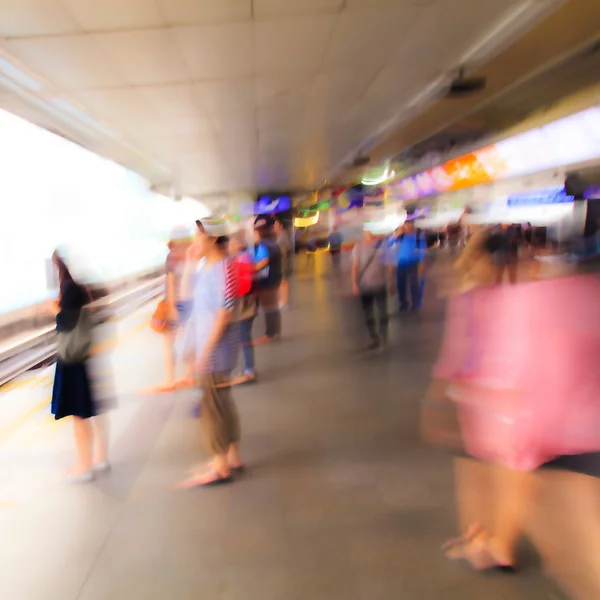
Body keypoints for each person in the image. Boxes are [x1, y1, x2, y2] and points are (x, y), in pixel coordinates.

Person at [177, 217, 243, 488]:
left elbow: (224, 313)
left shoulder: (224, 268)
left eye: (198, 236)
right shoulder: (207, 267)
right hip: (209, 347)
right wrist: (191, 266)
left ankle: (220, 465)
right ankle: (231, 456)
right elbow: (187, 303)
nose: (194, 242)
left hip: (215, 350)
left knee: (212, 407)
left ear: (213, 238)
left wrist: (205, 350)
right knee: (221, 401)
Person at [50, 252, 109, 483]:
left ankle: (84, 466)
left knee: (78, 415)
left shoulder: (68, 287)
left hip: (71, 359)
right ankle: (97, 459)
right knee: (86, 411)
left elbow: (66, 321)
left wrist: (54, 309)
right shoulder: (80, 287)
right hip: (82, 356)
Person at [153, 228, 194, 392]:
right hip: (190, 303)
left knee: (168, 342)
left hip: (175, 303)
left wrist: (170, 307)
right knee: (190, 340)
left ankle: (170, 379)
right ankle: (189, 376)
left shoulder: (172, 258)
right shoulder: (192, 256)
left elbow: (170, 284)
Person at [352, 228, 394, 350]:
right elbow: (355, 266)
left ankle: (383, 336)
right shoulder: (358, 248)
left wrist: (391, 282)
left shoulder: (382, 246)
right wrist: (354, 283)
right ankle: (373, 337)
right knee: (368, 314)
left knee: (383, 313)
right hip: (365, 286)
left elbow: (389, 265)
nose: (368, 235)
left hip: (380, 284)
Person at [230, 233, 258, 384]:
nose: (229, 247)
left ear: (236, 245)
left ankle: (249, 370)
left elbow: (244, 285)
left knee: (244, 337)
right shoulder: (245, 257)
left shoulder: (242, 259)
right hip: (248, 303)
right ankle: (247, 368)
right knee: (244, 337)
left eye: (231, 244)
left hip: (244, 305)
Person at [253, 215, 283, 344]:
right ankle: (275, 331)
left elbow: (263, 262)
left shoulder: (264, 245)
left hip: (266, 280)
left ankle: (269, 334)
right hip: (274, 278)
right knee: (273, 306)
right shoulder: (273, 243)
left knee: (268, 307)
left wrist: (250, 268)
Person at [392, 220, 427, 312]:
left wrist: (422, 262)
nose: (407, 227)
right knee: (401, 285)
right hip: (401, 263)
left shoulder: (418, 235)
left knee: (413, 284)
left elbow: (422, 250)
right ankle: (403, 303)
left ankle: (415, 304)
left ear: (412, 226)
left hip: (413, 263)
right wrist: (397, 234)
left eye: (408, 225)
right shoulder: (400, 236)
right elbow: (389, 243)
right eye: (405, 226)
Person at [274, 219, 292, 308]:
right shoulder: (277, 236)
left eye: (276, 225)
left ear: (281, 226)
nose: (274, 227)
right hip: (279, 261)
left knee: (283, 281)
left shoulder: (283, 235)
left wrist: (282, 250)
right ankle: (282, 300)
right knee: (281, 281)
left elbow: (289, 247)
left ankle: (284, 301)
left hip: (283, 261)